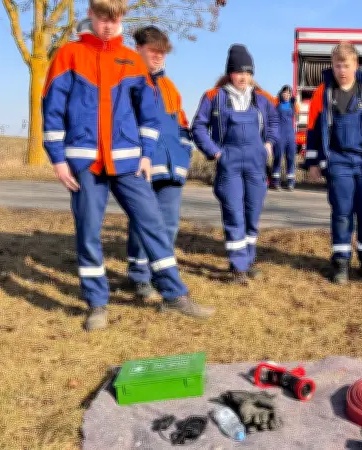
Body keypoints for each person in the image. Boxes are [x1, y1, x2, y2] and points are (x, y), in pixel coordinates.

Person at [41, 0, 214, 331]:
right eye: (102, 16)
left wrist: (147, 153)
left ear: (122, 17)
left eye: (115, 17)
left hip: (129, 163)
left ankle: (174, 295)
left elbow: (149, 114)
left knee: (153, 225)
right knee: (88, 232)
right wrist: (58, 159)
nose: (108, 23)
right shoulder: (68, 56)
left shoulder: (133, 61)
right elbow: (52, 110)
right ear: (91, 14)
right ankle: (97, 304)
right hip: (85, 164)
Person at [303, 41, 362, 284]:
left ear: (356, 65)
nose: (342, 70)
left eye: (347, 65)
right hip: (338, 162)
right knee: (342, 214)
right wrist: (312, 162)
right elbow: (312, 129)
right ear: (332, 65)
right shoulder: (323, 92)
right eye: (338, 65)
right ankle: (341, 263)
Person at [191, 44, 280, 284]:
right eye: (239, 72)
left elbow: (274, 122)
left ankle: (249, 261)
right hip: (228, 162)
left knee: (252, 213)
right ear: (230, 72)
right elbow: (198, 127)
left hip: (255, 163)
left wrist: (268, 145)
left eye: (248, 72)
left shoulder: (262, 99)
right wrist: (215, 152)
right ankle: (237, 266)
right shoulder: (214, 97)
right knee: (234, 212)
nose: (244, 77)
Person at [124, 25, 193, 300]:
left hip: (172, 168)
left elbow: (182, 126)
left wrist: (184, 153)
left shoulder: (170, 87)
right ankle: (139, 276)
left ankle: (160, 274)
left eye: (162, 52)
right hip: (141, 166)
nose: (158, 56)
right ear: (138, 48)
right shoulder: (127, 83)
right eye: (153, 50)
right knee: (143, 223)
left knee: (169, 224)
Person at [271, 85, 299, 191]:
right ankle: (275, 182)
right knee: (278, 157)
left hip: (290, 135)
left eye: (288, 93)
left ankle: (290, 183)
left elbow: (297, 116)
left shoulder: (293, 106)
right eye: (285, 92)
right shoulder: (276, 105)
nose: (286, 95)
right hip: (279, 135)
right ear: (281, 94)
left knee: (291, 158)